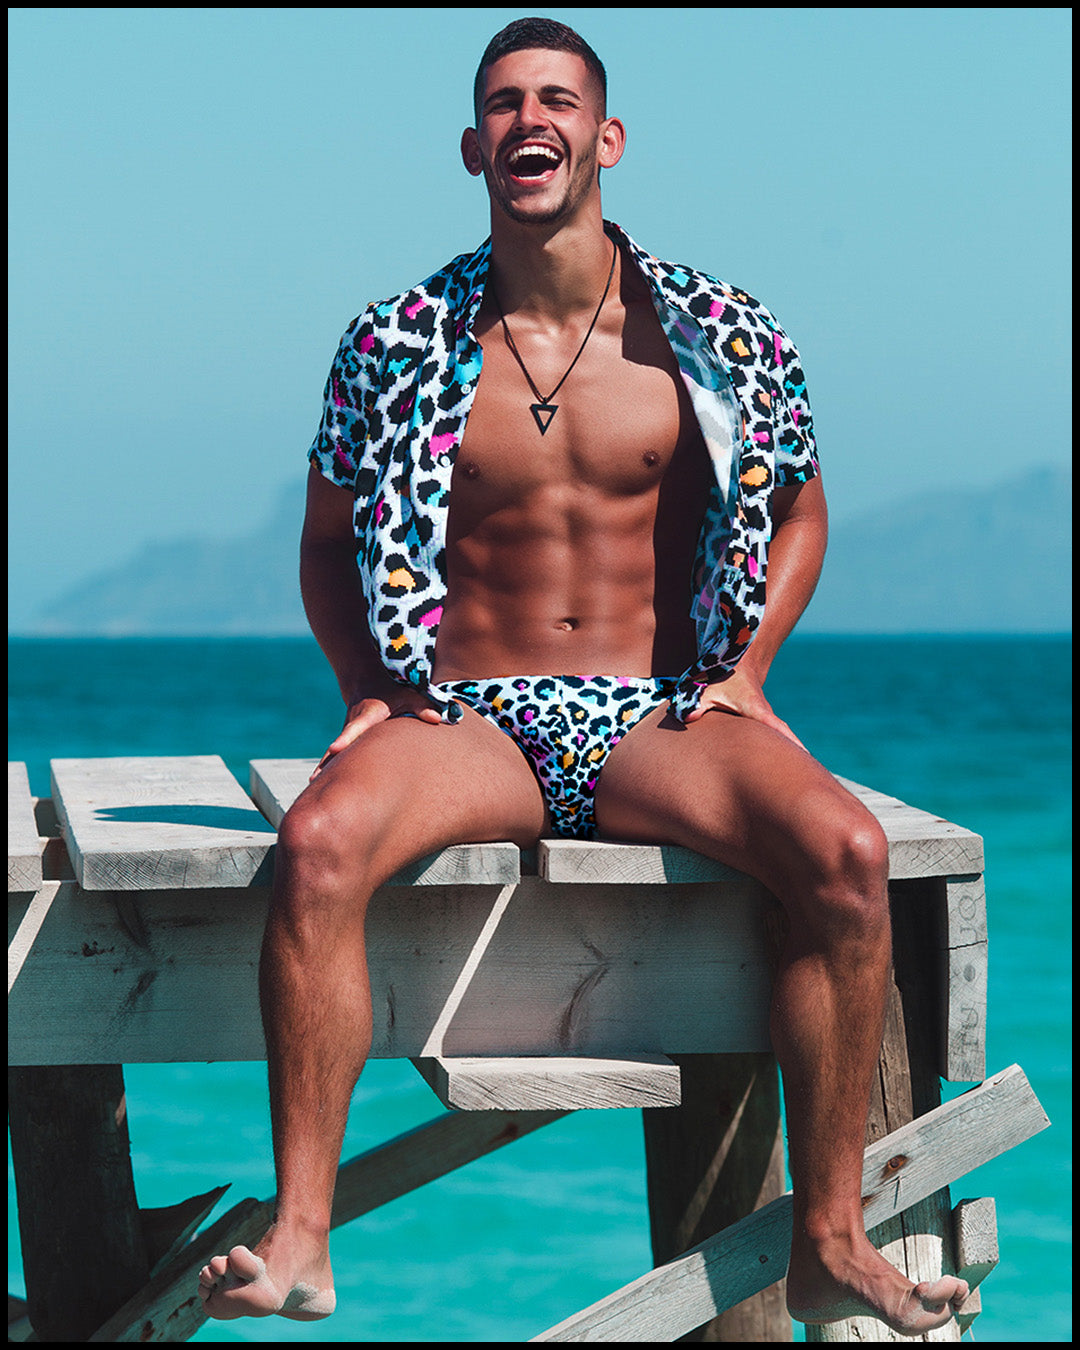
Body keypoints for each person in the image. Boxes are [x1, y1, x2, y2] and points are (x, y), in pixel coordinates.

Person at [198, 17, 969, 1334]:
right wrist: (366, 687)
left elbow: (802, 512)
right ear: (472, 147)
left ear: (607, 138)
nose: (530, 121)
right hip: (471, 716)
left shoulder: (719, 332)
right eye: (504, 104)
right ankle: (305, 1236)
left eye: (556, 100)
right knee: (318, 847)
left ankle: (831, 1238)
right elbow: (327, 543)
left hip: (655, 714)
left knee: (845, 855)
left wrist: (749, 668)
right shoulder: (393, 340)